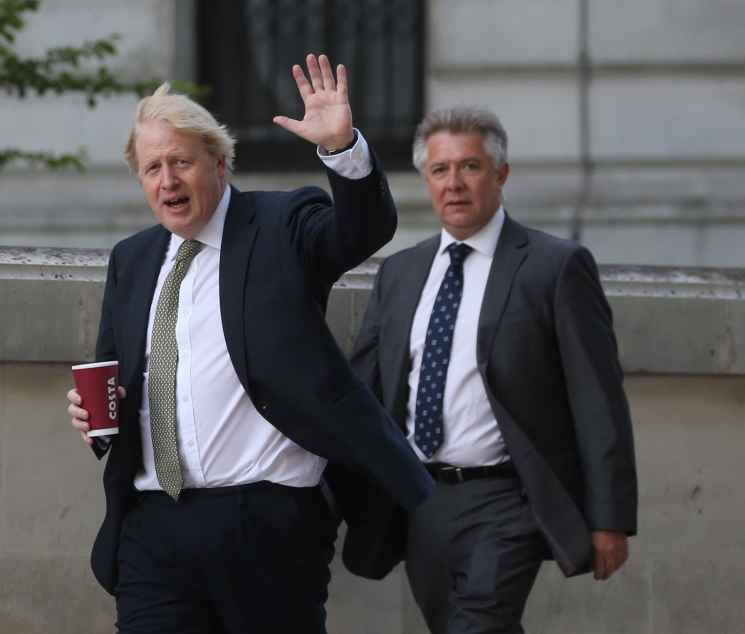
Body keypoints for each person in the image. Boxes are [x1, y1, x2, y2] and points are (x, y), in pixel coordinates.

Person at [66, 55, 433, 633]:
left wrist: (342, 150)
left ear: (221, 163)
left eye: (182, 162)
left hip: (264, 520)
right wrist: (93, 418)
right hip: (156, 525)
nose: (168, 180)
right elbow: (117, 379)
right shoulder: (132, 260)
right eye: (153, 167)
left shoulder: (284, 222)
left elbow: (361, 231)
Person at [345, 105, 638, 633]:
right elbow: (359, 390)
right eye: (440, 170)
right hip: (421, 499)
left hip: (506, 501)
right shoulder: (401, 273)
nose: (454, 183)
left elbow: (598, 399)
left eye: (470, 167)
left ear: (500, 175)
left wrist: (609, 517)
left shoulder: (554, 266)